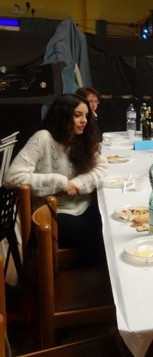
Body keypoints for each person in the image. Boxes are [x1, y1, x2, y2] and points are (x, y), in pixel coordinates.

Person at [4, 93, 108, 267]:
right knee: (100, 237)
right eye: (78, 115)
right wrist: (59, 182)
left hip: (82, 207)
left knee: (111, 228)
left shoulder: (81, 138)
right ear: (63, 115)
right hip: (50, 213)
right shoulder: (43, 138)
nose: (84, 121)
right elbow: (12, 178)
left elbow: (102, 167)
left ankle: (91, 270)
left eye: (86, 116)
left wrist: (78, 183)